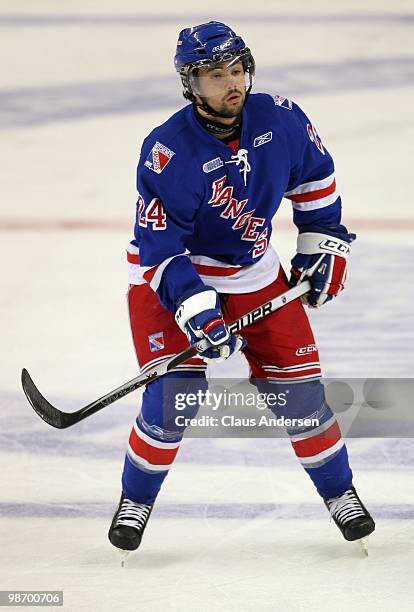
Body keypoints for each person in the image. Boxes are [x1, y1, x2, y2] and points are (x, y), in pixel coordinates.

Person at [108, 21, 375, 554]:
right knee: (174, 399)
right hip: (174, 276)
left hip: (252, 273)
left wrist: (322, 245)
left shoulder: (282, 118)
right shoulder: (166, 150)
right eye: (214, 75)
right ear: (190, 83)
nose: (230, 83)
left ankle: (339, 493)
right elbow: (161, 250)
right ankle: (135, 499)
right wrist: (198, 312)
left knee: (301, 397)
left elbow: (315, 179)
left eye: (236, 71)